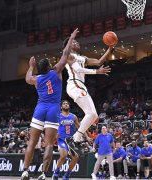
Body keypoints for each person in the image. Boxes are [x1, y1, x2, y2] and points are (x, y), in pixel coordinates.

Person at [20, 28, 78, 180]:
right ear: (49, 66)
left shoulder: (37, 79)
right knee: (49, 144)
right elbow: (65, 55)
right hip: (53, 110)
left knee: (32, 142)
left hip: (40, 109)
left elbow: (27, 79)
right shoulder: (56, 72)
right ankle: (43, 174)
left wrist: (31, 67)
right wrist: (71, 38)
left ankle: (25, 171)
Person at [63, 36, 114, 150]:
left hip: (80, 85)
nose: (76, 43)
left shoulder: (81, 57)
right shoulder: (69, 56)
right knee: (90, 114)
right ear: (69, 45)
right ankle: (75, 138)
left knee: (94, 115)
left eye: (77, 41)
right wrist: (97, 71)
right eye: (73, 41)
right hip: (74, 84)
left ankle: (75, 138)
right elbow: (77, 70)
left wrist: (109, 49)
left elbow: (99, 61)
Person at [52, 100, 80, 180]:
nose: (66, 104)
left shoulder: (73, 116)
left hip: (70, 140)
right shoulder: (58, 116)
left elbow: (79, 127)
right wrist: (54, 135)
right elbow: (53, 127)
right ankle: (56, 172)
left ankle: (67, 175)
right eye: (64, 104)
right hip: (61, 139)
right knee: (63, 156)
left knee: (76, 157)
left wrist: (87, 136)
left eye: (67, 103)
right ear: (61, 107)